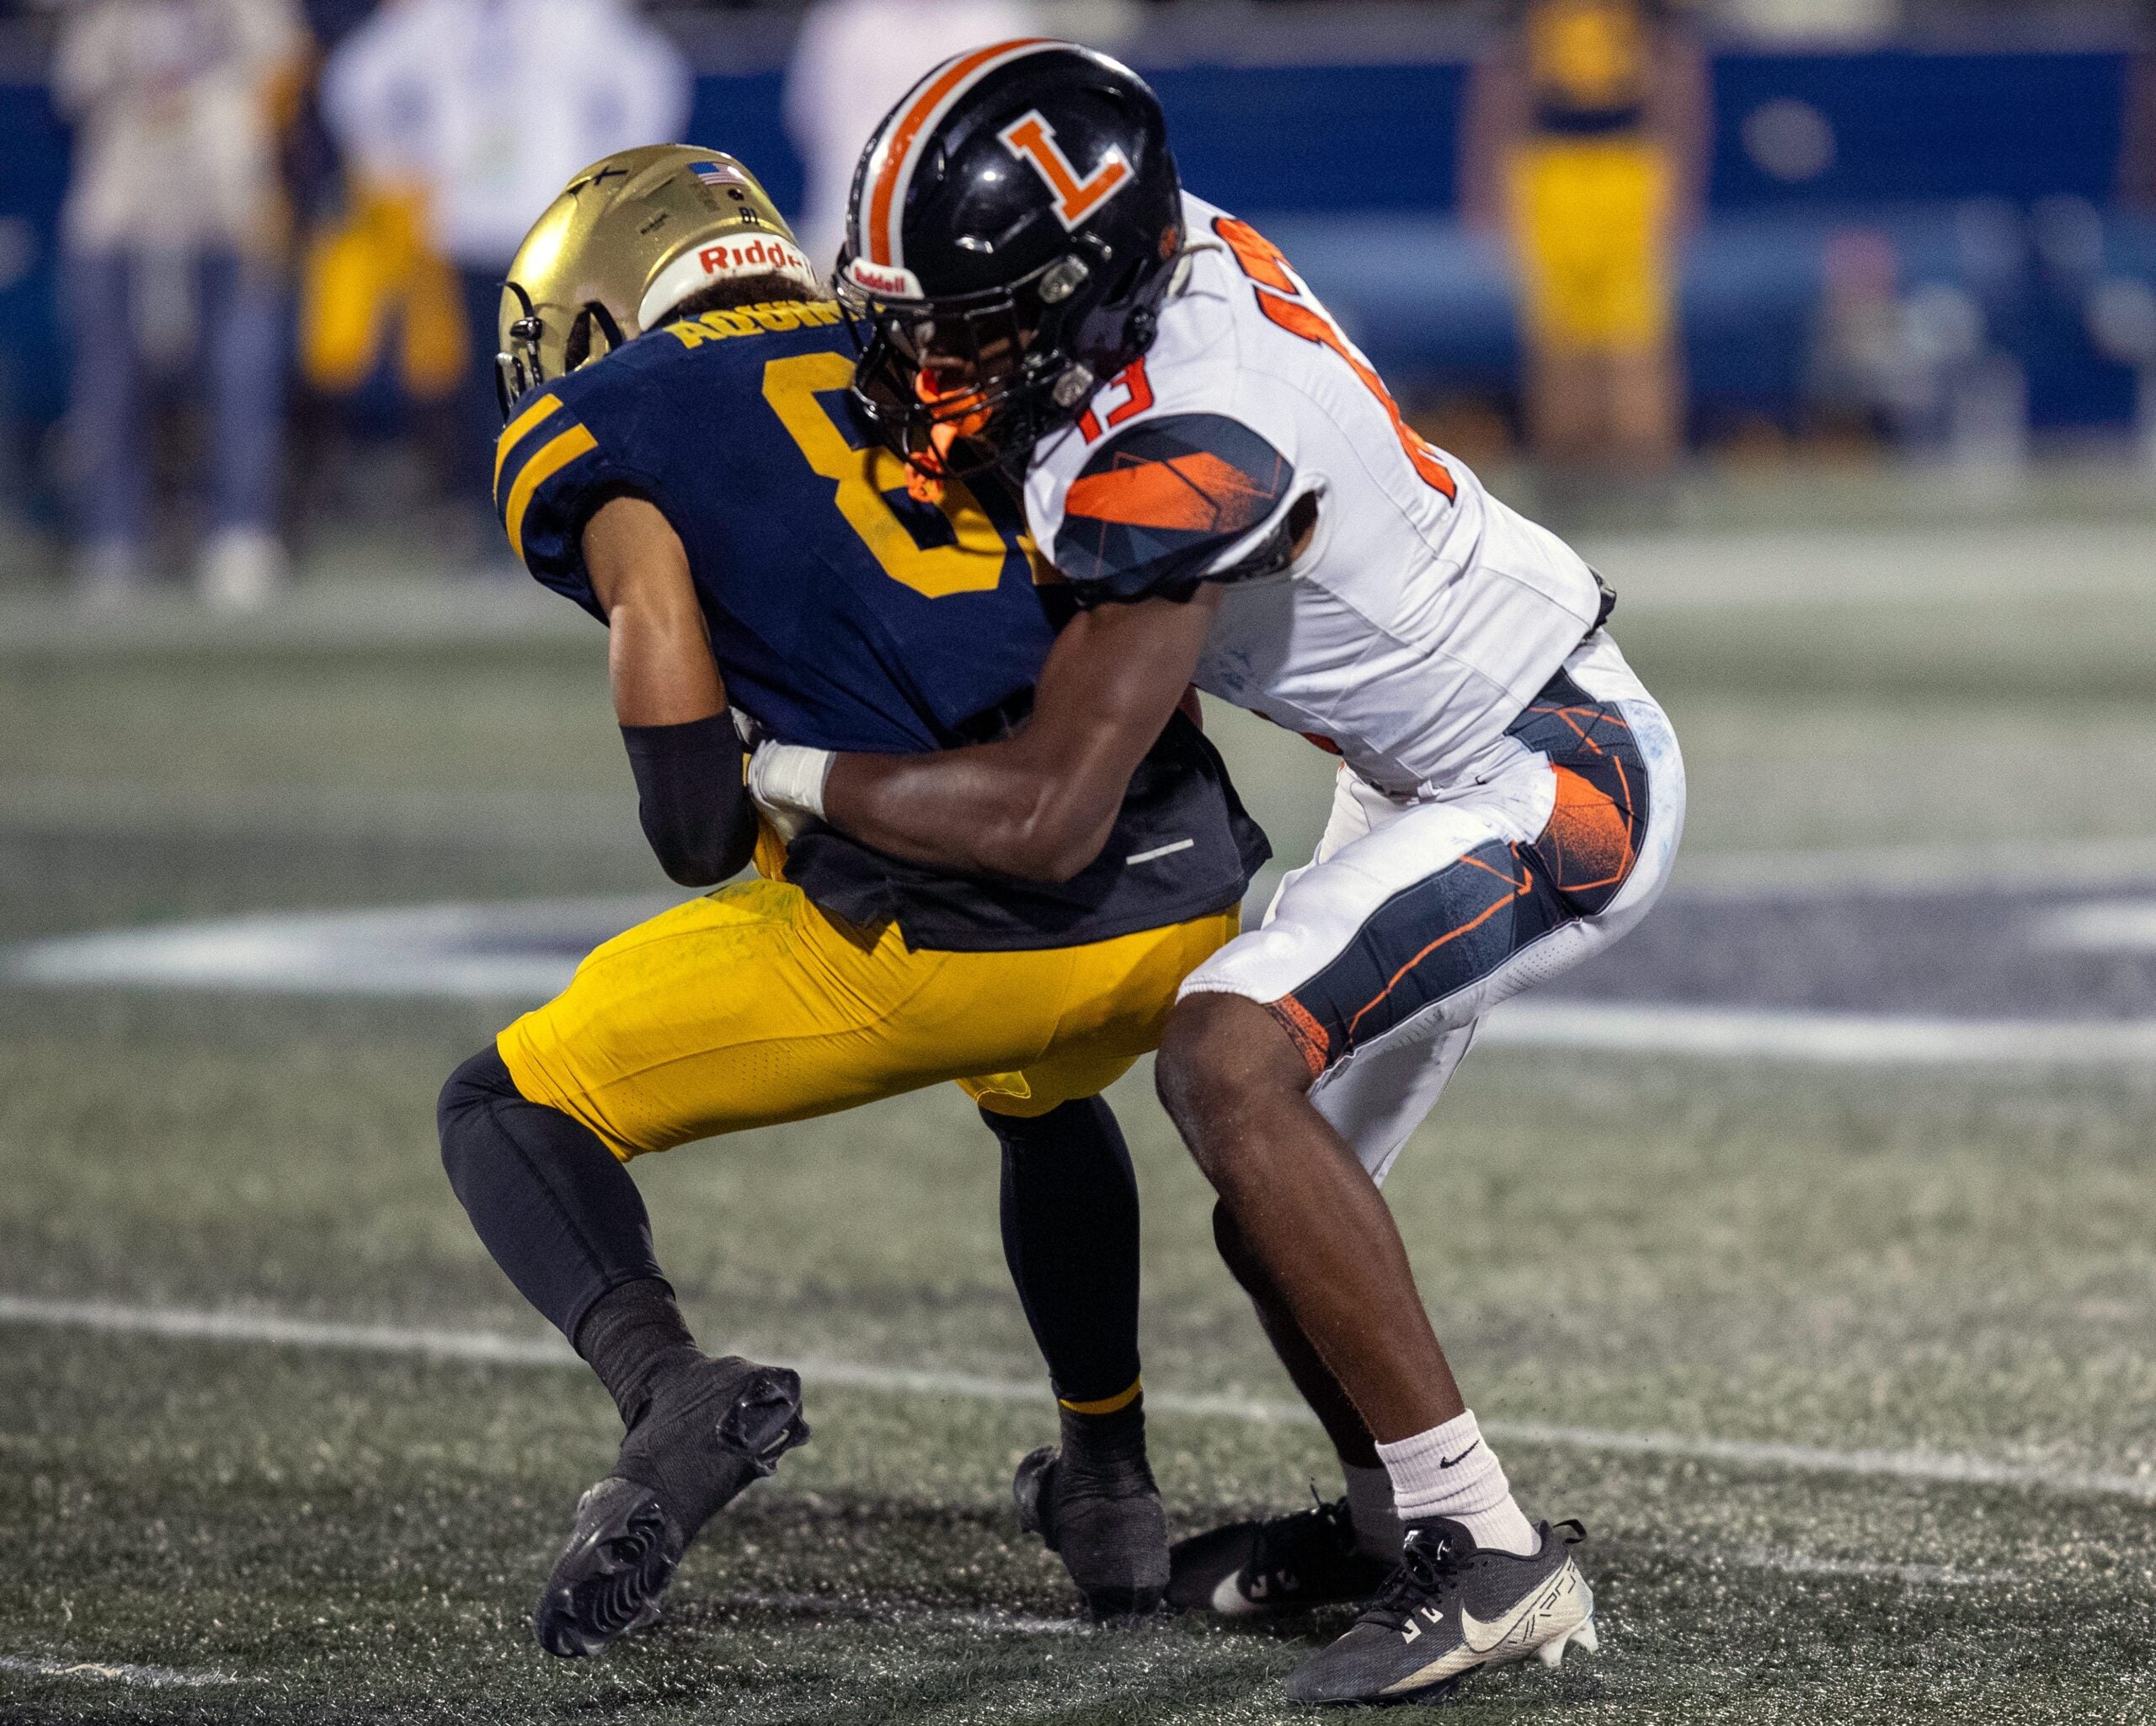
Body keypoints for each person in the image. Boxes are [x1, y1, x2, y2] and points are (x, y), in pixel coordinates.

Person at [748, 40, 1684, 1705]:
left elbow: (1050, 809)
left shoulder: (1193, 431)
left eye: (965, 322)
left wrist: (792, 772)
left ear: (1078, 294)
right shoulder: (1131, 285)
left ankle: (1486, 1551)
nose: (927, 357)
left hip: (1551, 772)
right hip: (1424, 759)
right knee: (1281, 1193)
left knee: (1222, 1058)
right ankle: (1400, 1515)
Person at [440, 144, 1269, 1654]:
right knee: (1039, 1096)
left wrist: (765, 771)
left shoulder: (600, 418)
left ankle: (667, 1386)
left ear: (594, 313)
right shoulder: (936, 326)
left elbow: (694, 824)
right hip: (1188, 883)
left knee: (503, 1104)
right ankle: (1109, 1482)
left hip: (952, 929)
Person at [319, 0, 688, 556]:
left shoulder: (577, 15)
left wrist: (609, 173)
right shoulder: (438, 16)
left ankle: (568, 516)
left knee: (564, 378)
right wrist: (394, 164)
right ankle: (495, 521)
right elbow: (354, 83)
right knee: (480, 386)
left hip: (550, 228)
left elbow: (653, 79)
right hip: (466, 225)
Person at [54, 0, 307, 608]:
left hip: (225, 207)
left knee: (241, 380)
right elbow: (75, 82)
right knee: (110, 384)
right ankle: (115, 535)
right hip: (123, 211)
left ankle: (239, 531)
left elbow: (283, 60)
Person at [1459, 0, 1708, 478]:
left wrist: (1681, 190)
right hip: (1549, 173)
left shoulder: (1650, 19)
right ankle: (1569, 465)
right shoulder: (1525, 19)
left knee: (1634, 336)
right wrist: (1487, 194)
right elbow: (1499, 96)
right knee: (1559, 337)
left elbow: (1678, 88)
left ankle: (1642, 463)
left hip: (1629, 172)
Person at [783, 0, 1038, 269]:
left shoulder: (996, 21)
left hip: (967, 244)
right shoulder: (846, 21)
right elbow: (807, 120)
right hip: (842, 232)